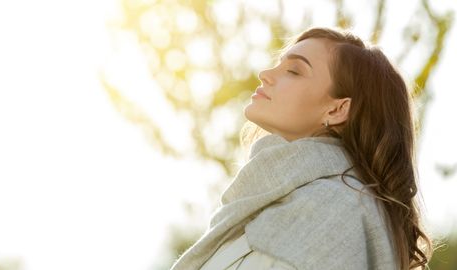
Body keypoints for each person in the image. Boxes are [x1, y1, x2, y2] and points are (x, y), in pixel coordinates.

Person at [169, 26, 434, 270]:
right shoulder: (262, 203)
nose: (265, 75)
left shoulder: (337, 210)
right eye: (278, 64)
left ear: (337, 108)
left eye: (294, 71)